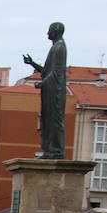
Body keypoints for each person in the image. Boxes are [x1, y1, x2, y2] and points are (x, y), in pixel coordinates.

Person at [23, 22, 67, 159]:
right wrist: (32, 63)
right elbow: (47, 71)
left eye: (49, 31)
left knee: (54, 120)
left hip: (55, 91)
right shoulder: (55, 47)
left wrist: (42, 83)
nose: (47, 34)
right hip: (50, 89)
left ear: (56, 31)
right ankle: (50, 150)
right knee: (47, 120)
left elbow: (56, 72)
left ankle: (56, 151)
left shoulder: (59, 47)